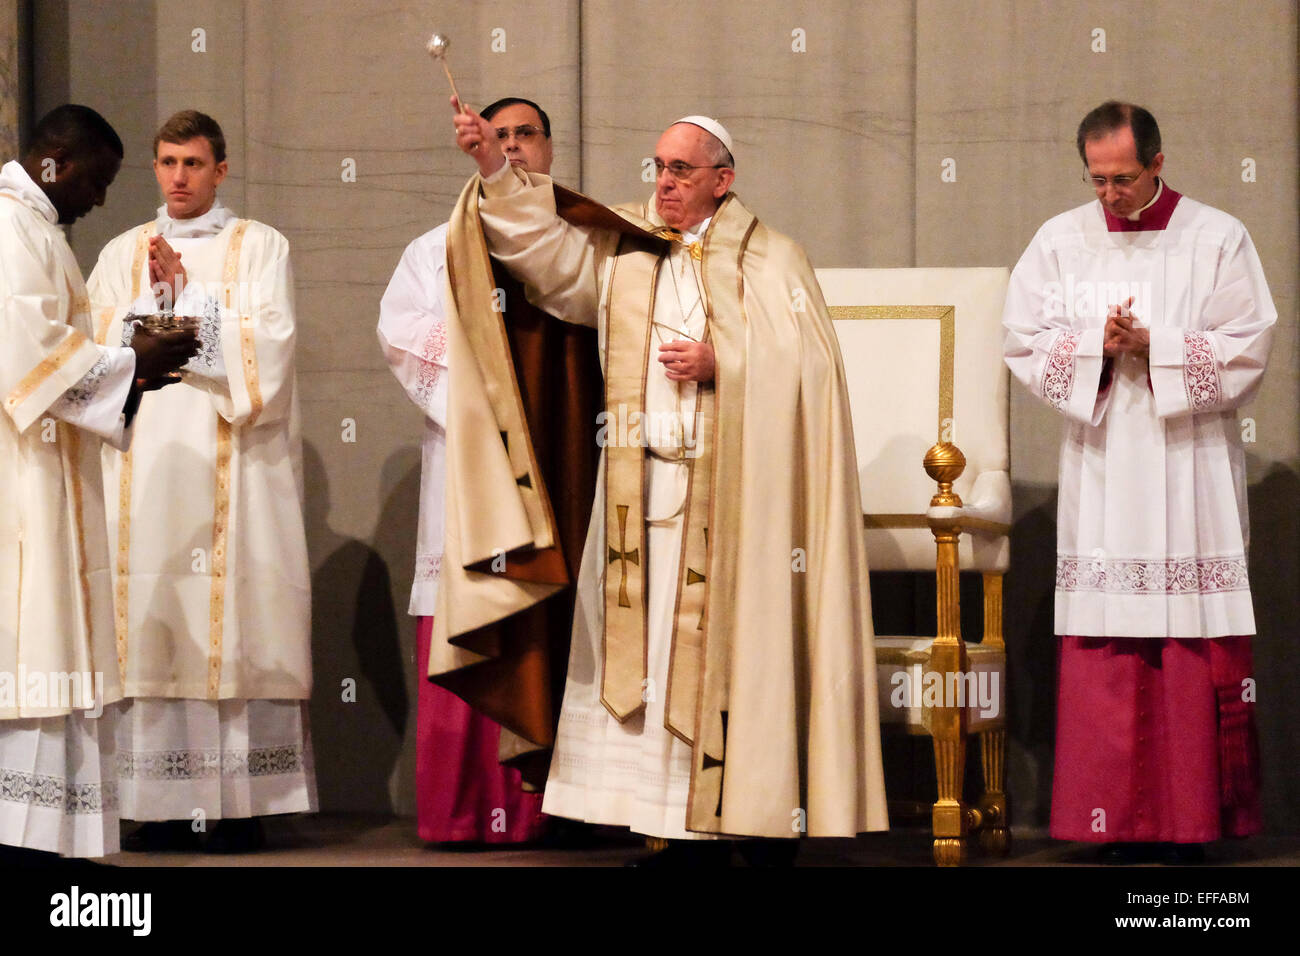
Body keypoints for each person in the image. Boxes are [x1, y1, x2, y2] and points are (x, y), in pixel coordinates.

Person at [443, 101, 888, 864]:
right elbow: (545, 256)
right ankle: (667, 826)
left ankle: (751, 816)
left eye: (681, 169)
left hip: (739, 505)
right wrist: (493, 167)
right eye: (657, 167)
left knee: (734, 662)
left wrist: (728, 364)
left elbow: (816, 373)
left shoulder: (772, 258)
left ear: (724, 178)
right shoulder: (628, 251)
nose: (664, 182)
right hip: (638, 501)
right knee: (641, 667)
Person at [1002, 101, 1274, 863]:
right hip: (1106, 462)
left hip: (1187, 466)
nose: (1109, 196)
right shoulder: (1061, 240)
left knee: (1189, 643)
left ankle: (1191, 826)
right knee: (1108, 639)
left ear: (1158, 163)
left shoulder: (1217, 237)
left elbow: (1249, 344)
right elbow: (1022, 339)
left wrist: (1157, 345)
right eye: (1096, 180)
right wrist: (1098, 345)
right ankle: (1110, 820)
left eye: (1123, 178)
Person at [88, 109, 315, 853]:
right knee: (150, 620)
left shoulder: (259, 246)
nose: (178, 177)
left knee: (234, 620)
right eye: (166, 163)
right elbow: (91, 356)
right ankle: (153, 805)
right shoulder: (121, 252)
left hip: (234, 472)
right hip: (144, 471)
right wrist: (150, 307)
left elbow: (268, 353)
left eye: (192, 163)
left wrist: (187, 299)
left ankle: (237, 806)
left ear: (221, 170)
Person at [379, 96, 599, 843]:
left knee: (560, 620)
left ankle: (557, 810)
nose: (512, 148)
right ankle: (470, 809)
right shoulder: (434, 247)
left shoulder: (575, 241)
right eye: (498, 136)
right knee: (474, 606)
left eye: (525, 135)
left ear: (550, 146)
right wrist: (486, 402)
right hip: (473, 466)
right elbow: (404, 335)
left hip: (563, 460)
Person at [0, 104, 198, 859]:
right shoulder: (10, 227)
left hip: (47, 469)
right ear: (59, 160)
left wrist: (130, 361)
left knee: (57, 637)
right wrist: (128, 366)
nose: (103, 199)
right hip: (20, 483)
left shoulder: (37, 231)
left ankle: (50, 847)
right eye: (101, 179)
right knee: (32, 647)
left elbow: (58, 349)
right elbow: (22, 349)